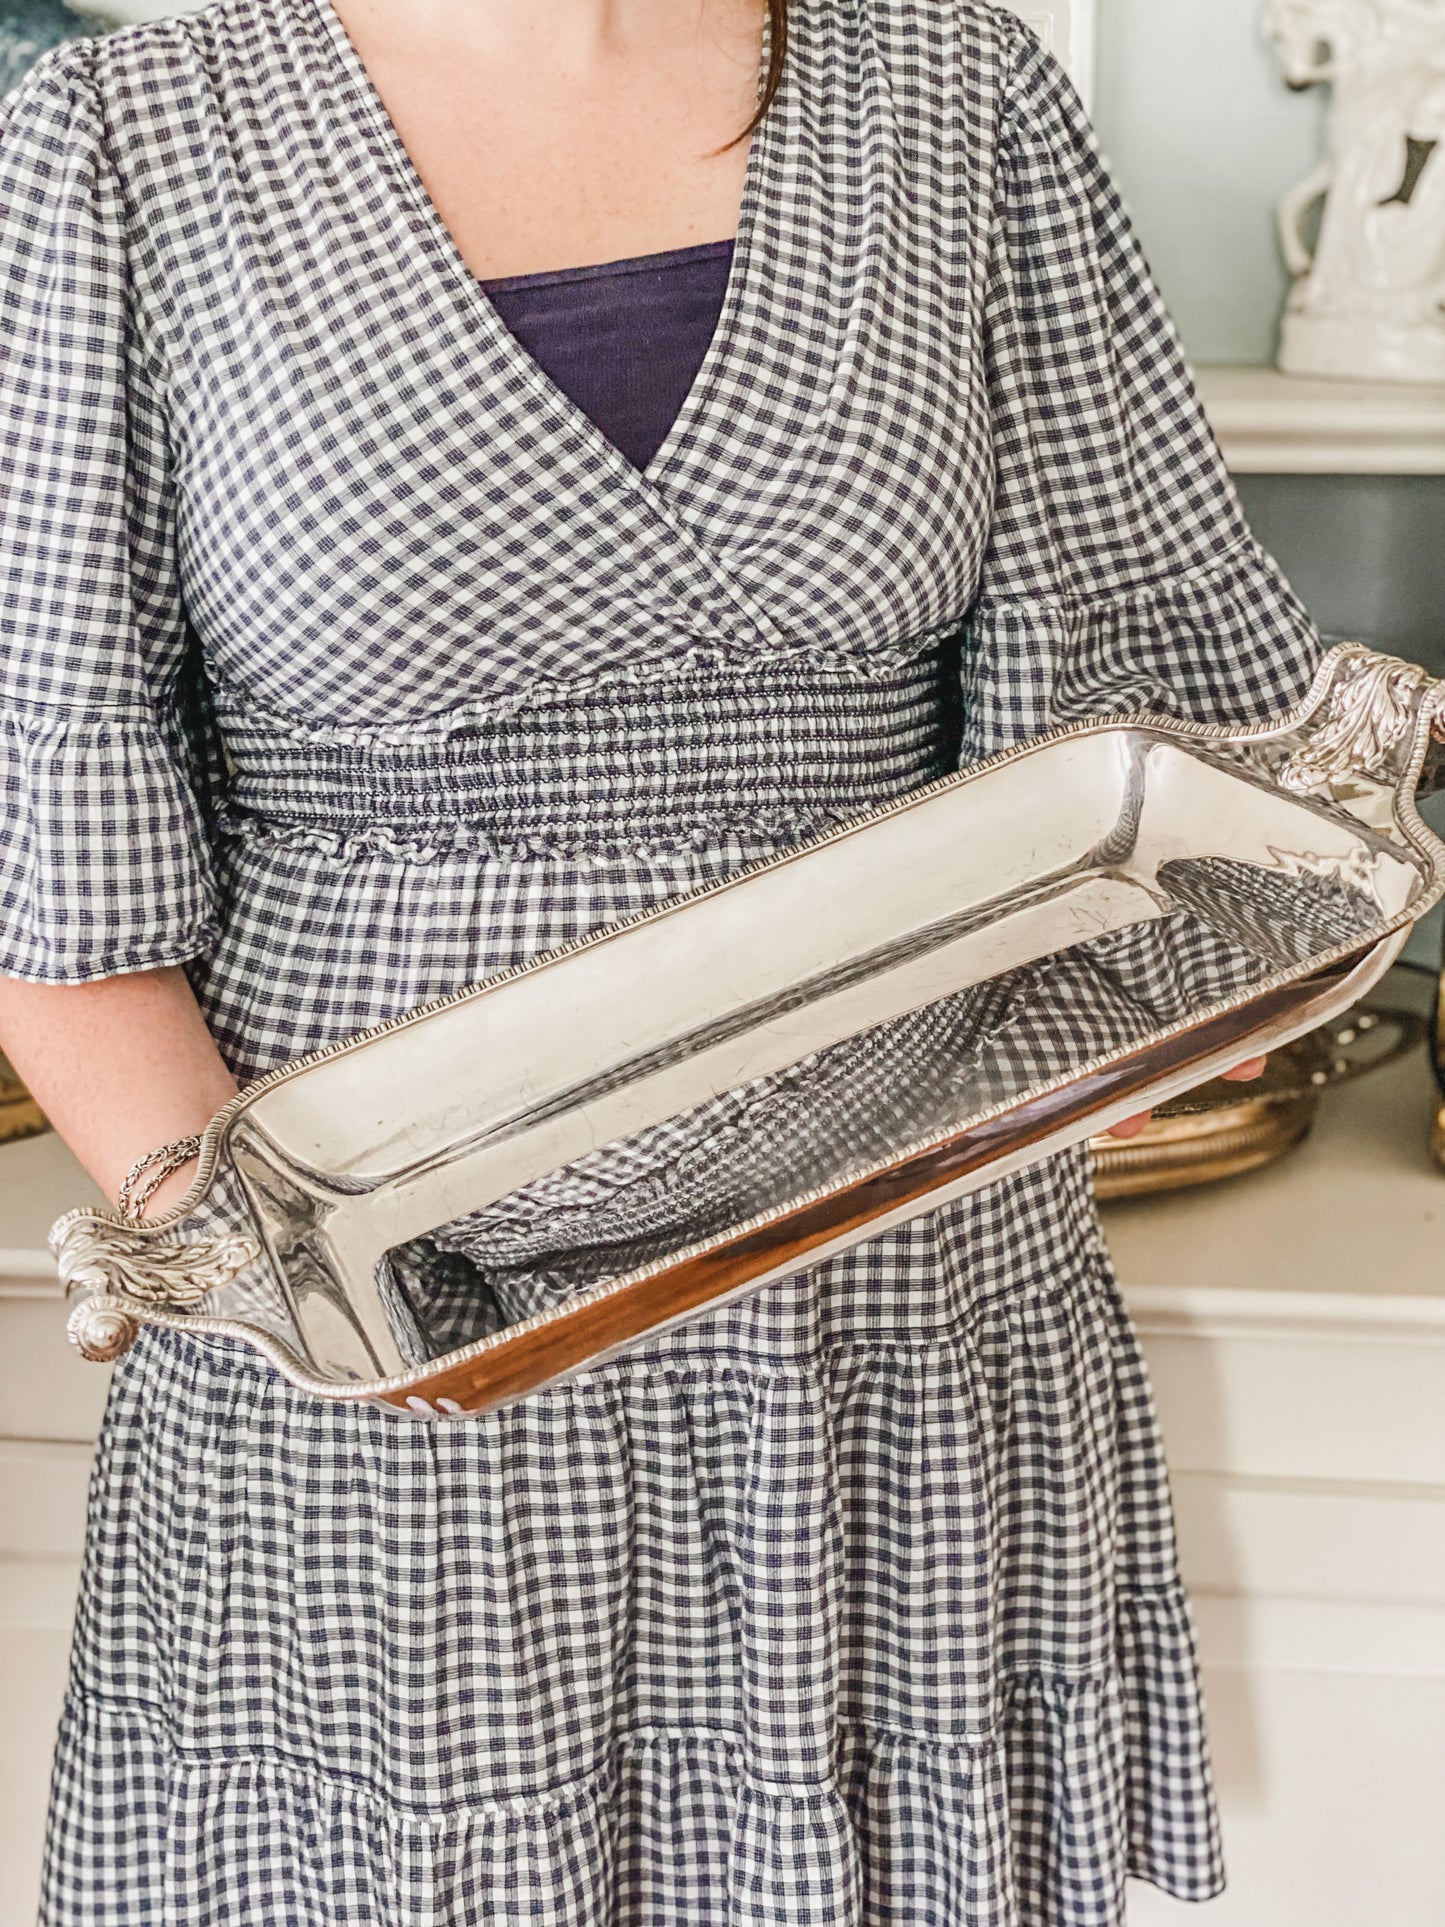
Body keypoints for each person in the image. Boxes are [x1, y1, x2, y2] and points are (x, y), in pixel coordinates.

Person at [0, 0, 1304, 1917]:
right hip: (384, 1308)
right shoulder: (122, 132)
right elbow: (51, 824)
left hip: (892, 1297)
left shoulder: (957, 96)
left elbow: (1145, 734)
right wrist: (300, 1309)